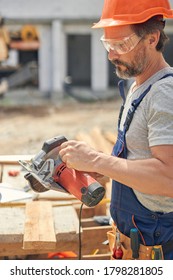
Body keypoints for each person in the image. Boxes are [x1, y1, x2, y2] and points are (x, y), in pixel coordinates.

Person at [59, 0, 173, 260]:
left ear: (152, 39)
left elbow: (169, 177)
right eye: (108, 44)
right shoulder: (138, 87)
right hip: (132, 243)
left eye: (121, 45)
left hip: (158, 251)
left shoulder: (165, 94)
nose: (111, 54)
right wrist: (104, 168)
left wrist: (98, 160)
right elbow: (139, 159)